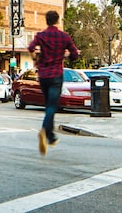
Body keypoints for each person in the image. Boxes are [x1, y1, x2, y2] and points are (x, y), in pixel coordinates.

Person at [27, 10, 80, 156]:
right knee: (52, 106)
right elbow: (75, 55)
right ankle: (45, 131)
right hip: (56, 74)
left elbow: (31, 47)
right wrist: (67, 55)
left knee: (48, 106)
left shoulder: (41, 36)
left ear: (46, 20)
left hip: (43, 75)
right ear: (58, 20)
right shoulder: (64, 37)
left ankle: (50, 137)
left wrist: (35, 58)